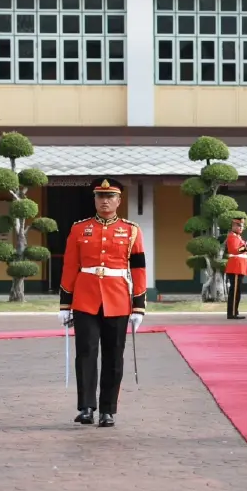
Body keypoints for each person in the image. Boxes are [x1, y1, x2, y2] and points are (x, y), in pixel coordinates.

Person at [57, 177, 147, 428]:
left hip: (118, 299)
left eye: (110, 197)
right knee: (85, 353)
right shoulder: (79, 229)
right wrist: (65, 304)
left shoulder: (131, 230)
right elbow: (70, 266)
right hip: (85, 299)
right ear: (94, 200)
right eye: (100, 196)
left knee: (113, 356)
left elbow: (138, 269)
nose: (105, 201)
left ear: (119, 200)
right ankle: (86, 407)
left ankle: (108, 410)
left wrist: (138, 305)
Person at [224, 215, 247, 320]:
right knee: (235, 291)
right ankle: (232, 313)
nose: (241, 228)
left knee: (237, 291)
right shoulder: (232, 236)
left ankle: (234, 312)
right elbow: (235, 250)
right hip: (235, 267)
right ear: (233, 226)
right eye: (238, 226)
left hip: (239, 266)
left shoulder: (238, 237)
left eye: (242, 226)